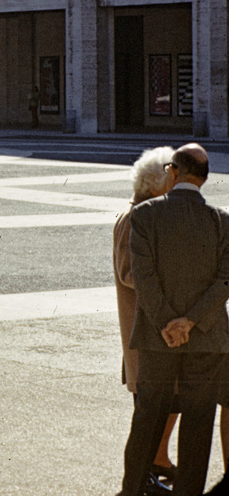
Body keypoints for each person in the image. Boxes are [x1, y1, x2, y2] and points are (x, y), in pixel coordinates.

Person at [120, 144, 229, 496]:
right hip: (207, 338)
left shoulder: (145, 215)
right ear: (205, 178)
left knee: (147, 418)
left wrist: (168, 322)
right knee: (198, 423)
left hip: (156, 337)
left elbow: (144, 276)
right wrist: (191, 322)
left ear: (173, 172)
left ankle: (134, 488)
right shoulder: (221, 220)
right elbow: (224, 280)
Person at [114, 146, 178, 493]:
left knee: (156, 411)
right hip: (143, 329)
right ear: (155, 185)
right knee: (146, 416)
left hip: (151, 330)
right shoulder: (135, 216)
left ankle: (152, 470)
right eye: (170, 181)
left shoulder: (146, 213)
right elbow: (129, 273)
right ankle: (139, 482)